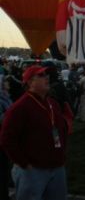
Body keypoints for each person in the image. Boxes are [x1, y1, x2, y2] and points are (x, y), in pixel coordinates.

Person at [0, 65, 73, 200]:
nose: (47, 77)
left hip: (57, 167)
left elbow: (61, 129)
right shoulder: (19, 107)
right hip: (33, 171)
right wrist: (24, 163)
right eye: (41, 75)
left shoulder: (53, 103)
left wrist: (61, 153)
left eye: (47, 74)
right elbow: (6, 139)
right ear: (29, 82)